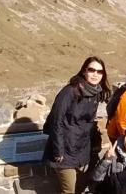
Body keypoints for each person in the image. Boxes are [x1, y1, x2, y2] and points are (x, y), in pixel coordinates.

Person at [44, 56, 113, 194]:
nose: (95, 74)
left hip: (81, 149)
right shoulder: (70, 91)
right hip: (64, 150)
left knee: (80, 187)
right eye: (92, 70)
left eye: (99, 72)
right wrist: (58, 150)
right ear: (84, 71)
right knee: (68, 190)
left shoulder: (95, 93)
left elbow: (87, 123)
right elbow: (55, 121)